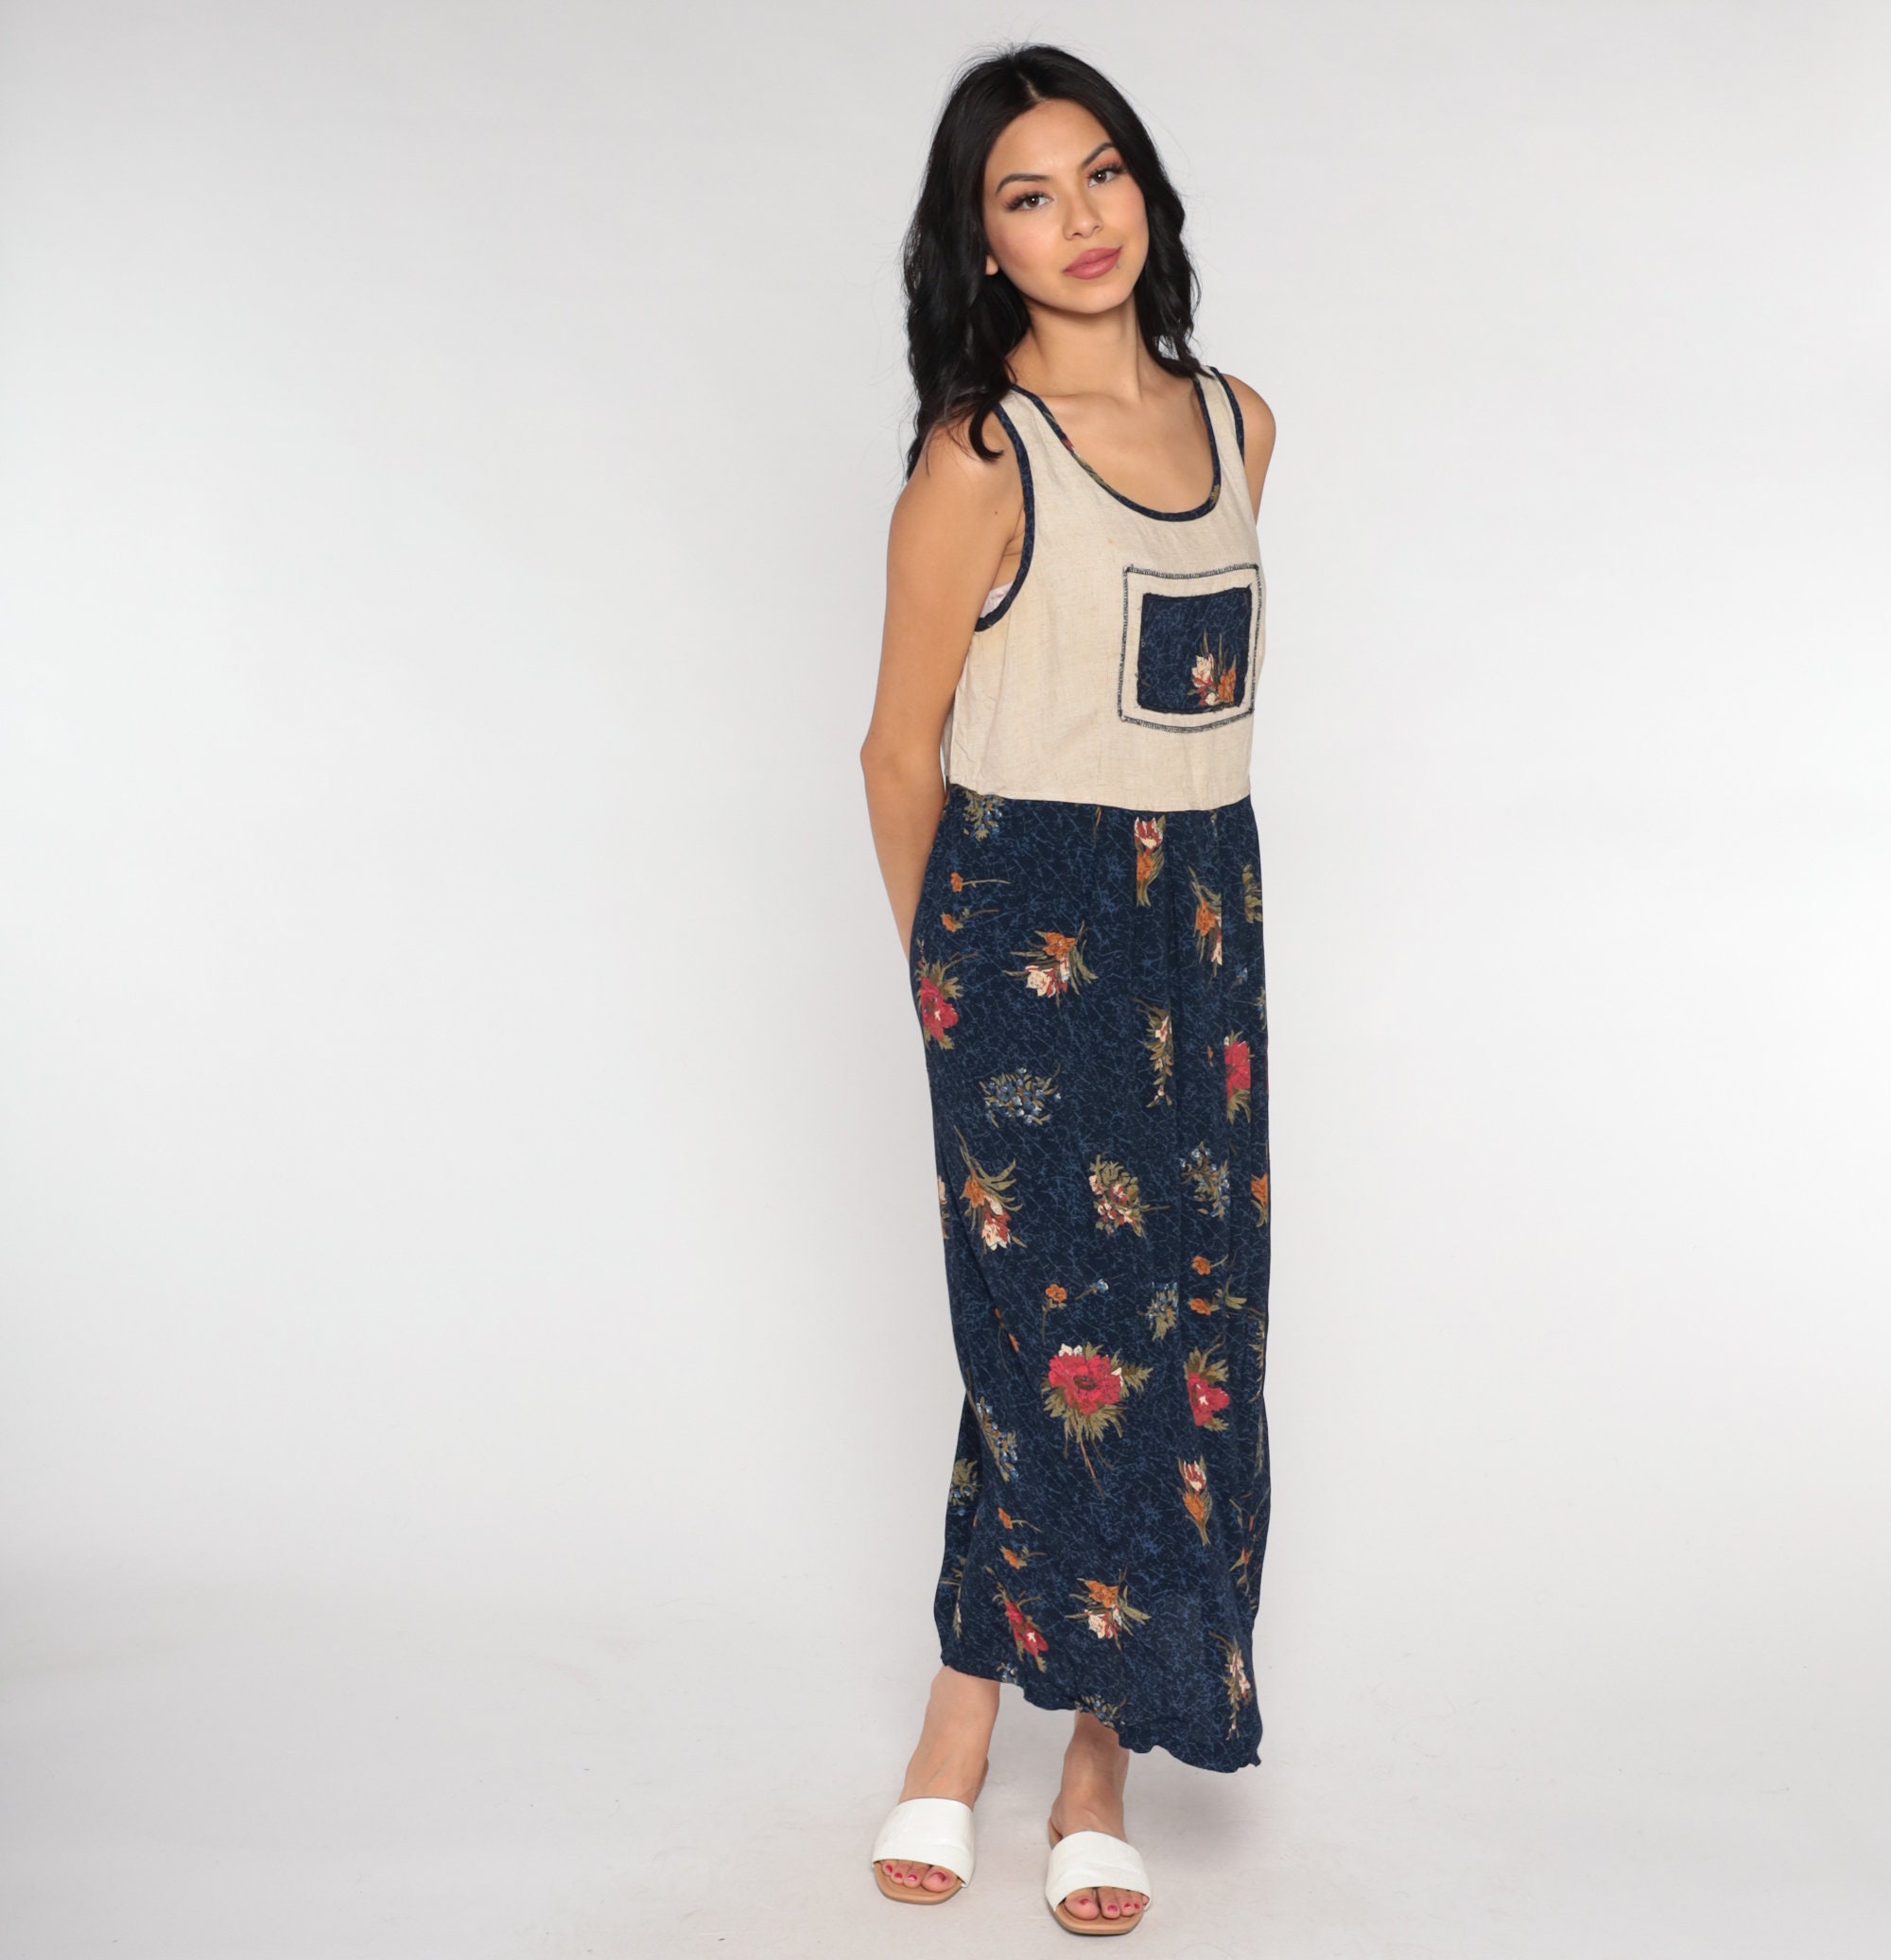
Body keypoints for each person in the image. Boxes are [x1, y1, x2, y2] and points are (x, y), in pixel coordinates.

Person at [859, 43, 1277, 1937]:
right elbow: (897, 747)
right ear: (983, 243)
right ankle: (964, 1730)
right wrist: (945, 989)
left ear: (1146, 189)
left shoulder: (1242, 423)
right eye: (1028, 195)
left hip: (1206, 923)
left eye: (1101, 172)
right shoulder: (978, 455)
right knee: (1045, 1344)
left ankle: (1085, 1753)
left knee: (1178, 1339)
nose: (1080, 218)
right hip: (1025, 930)